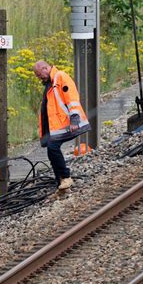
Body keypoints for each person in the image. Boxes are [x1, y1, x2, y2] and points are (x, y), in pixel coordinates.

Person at [32, 60, 90, 190]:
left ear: (45, 68)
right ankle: (60, 181)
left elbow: (72, 98)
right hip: (58, 126)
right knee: (51, 150)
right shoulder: (51, 82)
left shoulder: (60, 77)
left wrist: (74, 119)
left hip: (67, 123)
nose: (39, 78)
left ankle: (65, 177)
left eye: (39, 74)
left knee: (53, 148)